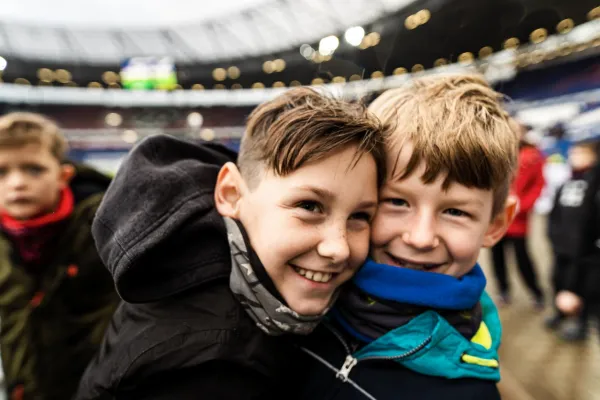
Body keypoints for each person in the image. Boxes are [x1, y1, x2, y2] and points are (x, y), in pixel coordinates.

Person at [75, 87, 389, 399]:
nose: (339, 248)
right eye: (309, 206)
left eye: (360, 216)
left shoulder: (187, 259)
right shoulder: (213, 369)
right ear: (231, 194)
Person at [292, 74, 519, 400]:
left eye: (455, 212)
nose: (421, 237)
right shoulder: (295, 301)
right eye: (397, 202)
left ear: (496, 225)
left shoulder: (471, 393)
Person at [0, 112, 120, 400]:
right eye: (1, 172)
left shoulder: (107, 229)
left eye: (34, 169)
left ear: (63, 175)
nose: (17, 183)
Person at [547, 138, 600, 341]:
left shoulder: (593, 185)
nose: (573, 157)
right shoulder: (566, 183)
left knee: (583, 287)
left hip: (585, 252)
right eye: (573, 154)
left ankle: (582, 323)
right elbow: (554, 215)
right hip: (562, 248)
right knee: (558, 280)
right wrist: (554, 238)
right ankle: (561, 314)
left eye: (580, 154)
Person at [491, 120, 545, 307]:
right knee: (497, 258)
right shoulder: (493, 153)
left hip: (518, 220)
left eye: (516, 131)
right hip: (495, 217)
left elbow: (539, 184)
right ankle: (503, 290)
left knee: (522, 258)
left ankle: (536, 292)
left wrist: (523, 205)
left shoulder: (533, 156)